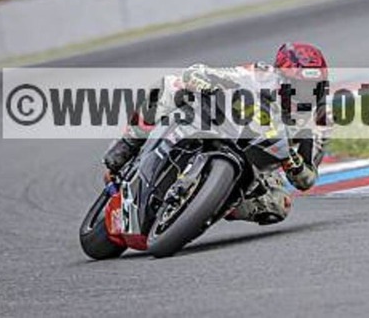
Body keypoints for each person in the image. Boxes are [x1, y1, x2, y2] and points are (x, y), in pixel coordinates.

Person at [102, 42, 330, 225]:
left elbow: (307, 180)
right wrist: (202, 81)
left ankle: (207, 205)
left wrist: (293, 162)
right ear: (282, 81)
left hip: (260, 164)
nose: (305, 96)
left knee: (279, 205)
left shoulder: (318, 123)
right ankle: (128, 144)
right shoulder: (261, 75)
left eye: (313, 89)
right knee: (171, 85)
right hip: (224, 125)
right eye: (298, 88)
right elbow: (199, 72)